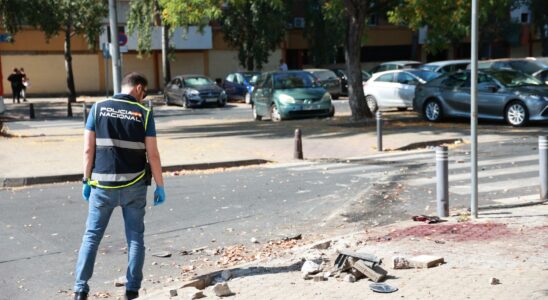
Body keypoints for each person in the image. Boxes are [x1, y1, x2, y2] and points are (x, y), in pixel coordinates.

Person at [73, 72, 166, 300]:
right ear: (137, 88)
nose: (144, 98)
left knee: (91, 237)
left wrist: (86, 180)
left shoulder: (97, 108)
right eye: (144, 92)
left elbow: (88, 150)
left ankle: (80, 289)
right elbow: (152, 154)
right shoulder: (144, 113)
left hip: (102, 187)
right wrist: (160, 186)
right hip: (134, 186)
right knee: (135, 237)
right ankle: (132, 290)